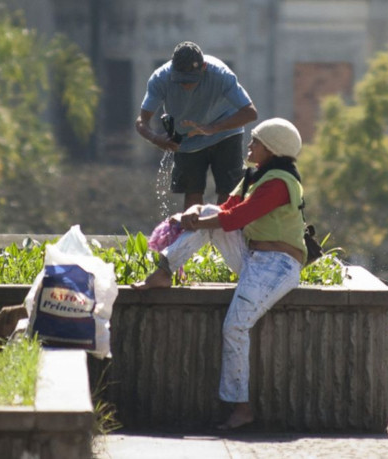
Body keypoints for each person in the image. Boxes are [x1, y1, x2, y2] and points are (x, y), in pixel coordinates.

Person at [132, 118, 307, 431]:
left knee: (236, 326)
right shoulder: (255, 175)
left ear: (272, 148)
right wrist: (193, 213)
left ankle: (242, 408)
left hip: (278, 264)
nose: (250, 146)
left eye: (256, 142)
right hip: (253, 256)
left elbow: (240, 216)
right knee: (209, 212)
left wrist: (196, 222)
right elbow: (225, 207)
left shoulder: (280, 182)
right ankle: (164, 270)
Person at [135, 41, 258, 211]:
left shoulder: (221, 75)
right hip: (187, 138)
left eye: (192, 80)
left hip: (225, 131)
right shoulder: (160, 79)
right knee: (192, 192)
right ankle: (194, 235)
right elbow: (141, 121)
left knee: (228, 191)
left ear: (204, 67)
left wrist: (213, 128)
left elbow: (250, 113)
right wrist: (157, 139)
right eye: (181, 80)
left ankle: (221, 235)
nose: (187, 85)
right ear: (173, 70)